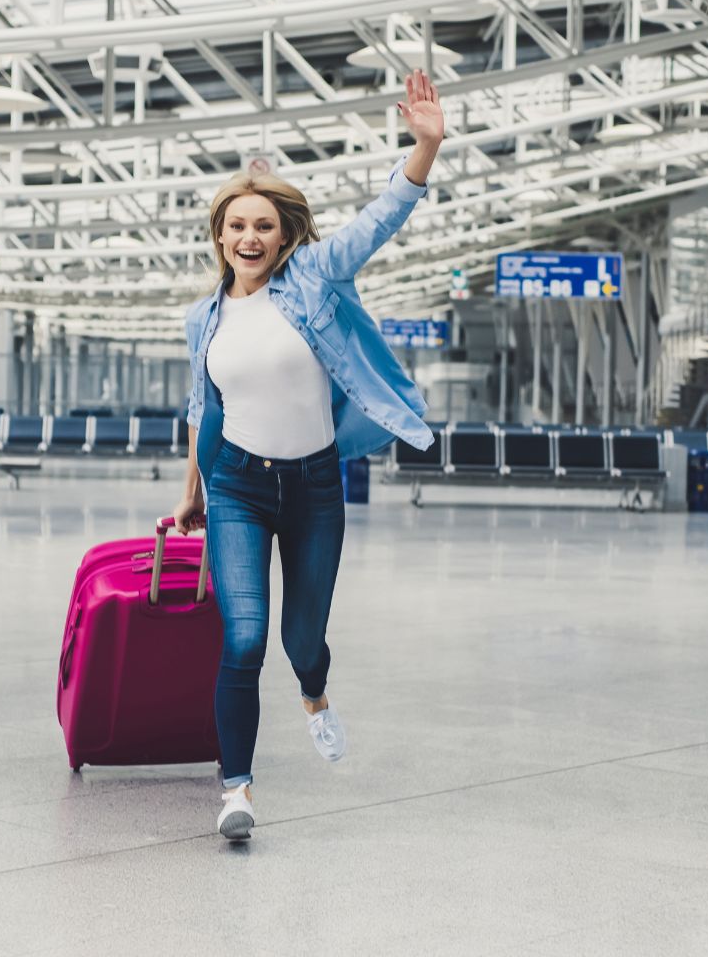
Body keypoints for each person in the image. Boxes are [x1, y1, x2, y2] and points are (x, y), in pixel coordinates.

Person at [172, 69, 446, 841]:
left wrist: (423, 146)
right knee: (244, 637)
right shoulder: (203, 319)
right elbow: (205, 408)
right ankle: (237, 791)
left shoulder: (316, 278)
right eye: (236, 227)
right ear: (219, 237)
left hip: (317, 487)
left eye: (263, 226)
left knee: (301, 643)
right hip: (238, 488)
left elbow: (380, 219)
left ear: (285, 235)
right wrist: (191, 488)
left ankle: (316, 696)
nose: (249, 238)